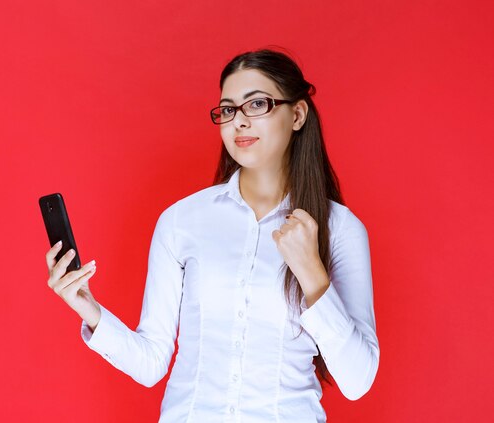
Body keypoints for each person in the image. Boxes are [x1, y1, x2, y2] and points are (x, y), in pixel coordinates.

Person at [45, 48, 380, 422]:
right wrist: (87, 307)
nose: (239, 122)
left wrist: (313, 275)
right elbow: (152, 362)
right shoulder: (182, 220)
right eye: (228, 110)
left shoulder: (340, 230)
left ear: (297, 114)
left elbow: (357, 380)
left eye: (257, 105)